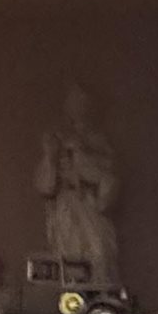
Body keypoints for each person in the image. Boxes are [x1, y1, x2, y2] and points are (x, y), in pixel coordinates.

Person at [35, 87, 118, 284]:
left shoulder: (98, 140)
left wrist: (81, 156)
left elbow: (108, 174)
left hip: (90, 206)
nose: (77, 106)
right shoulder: (56, 138)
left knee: (98, 254)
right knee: (68, 258)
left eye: (82, 101)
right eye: (72, 101)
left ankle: (99, 293)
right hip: (66, 210)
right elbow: (45, 186)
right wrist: (50, 155)